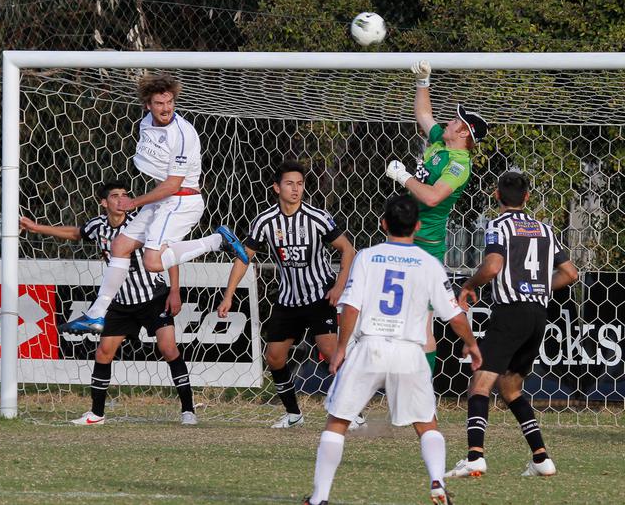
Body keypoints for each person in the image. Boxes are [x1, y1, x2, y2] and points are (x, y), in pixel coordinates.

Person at [303, 194, 482, 505]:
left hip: (369, 347)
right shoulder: (429, 263)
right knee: (426, 423)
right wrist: (472, 343)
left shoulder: (367, 257)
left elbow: (351, 307)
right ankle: (437, 482)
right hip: (409, 352)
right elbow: (454, 315)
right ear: (418, 225)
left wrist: (342, 347)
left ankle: (320, 498)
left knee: (338, 421)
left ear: (383, 223)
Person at [66, 72, 248, 334]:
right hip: (164, 199)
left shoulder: (184, 134)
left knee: (152, 262)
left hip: (182, 200)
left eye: (170, 102)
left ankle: (217, 241)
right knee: (120, 245)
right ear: (148, 105)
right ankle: (96, 315)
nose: (166, 108)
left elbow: (173, 185)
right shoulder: (145, 124)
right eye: (160, 103)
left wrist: (134, 203)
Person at [19, 180, 198, 425]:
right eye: (115, 196)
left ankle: (188, 410)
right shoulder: (98, 226)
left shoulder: (142, 223)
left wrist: (174, 290)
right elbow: (74, 233)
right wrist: (36, 228)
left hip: (153, 297)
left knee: (168, 349)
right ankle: (97, 414)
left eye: (125, 195)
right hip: (120, 301)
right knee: (103, 353)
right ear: (104, 202)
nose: (121, 200)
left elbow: (169, 253)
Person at [444, 171, 579, 478]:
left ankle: (475, 457)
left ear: (496, 195)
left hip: (511, 312)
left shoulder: (498, 226)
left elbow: (492, 266)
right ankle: (542, 458)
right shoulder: (545, 229)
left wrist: (469, 284)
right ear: (527, 197)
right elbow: (571, 274)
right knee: (511, 387)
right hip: (537, 317)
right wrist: (540, 287)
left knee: (479, 383)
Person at [217, 160, 358, 429]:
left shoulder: (317, 217)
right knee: (275, 357)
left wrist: (339, 286)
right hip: (288, 300)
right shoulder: (265, 221)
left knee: (332, 355)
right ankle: (294, 415)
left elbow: (347, 249)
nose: (296, 189)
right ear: (276, 187)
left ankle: (353, 414)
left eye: (300, 184)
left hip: (320, 295)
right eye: (289, 184)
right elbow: (243, 257)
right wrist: (228, 295)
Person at [385, 60, 489, 375]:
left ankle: (424, 398)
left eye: (456, 119)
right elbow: (423, 115)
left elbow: (431, 197)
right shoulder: (437, 145)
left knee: (422, 325)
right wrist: (423, 81)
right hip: (402, 238)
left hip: (425, 247)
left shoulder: (459, 164)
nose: (450, 120)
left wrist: (402, 177)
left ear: (463, 131)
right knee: (391, 320)